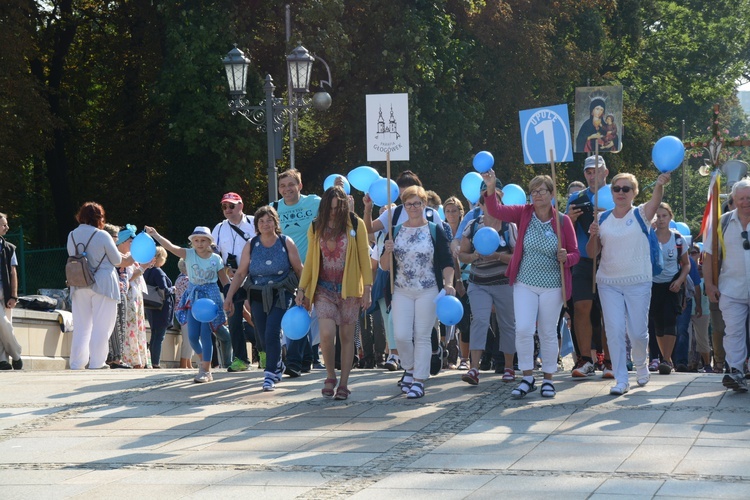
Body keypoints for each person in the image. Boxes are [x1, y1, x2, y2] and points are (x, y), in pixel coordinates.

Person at [481, 171, 579, 399]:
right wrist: (491, 185)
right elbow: (496, 210)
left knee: (547, 331)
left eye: (541, 191)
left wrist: (567, 257)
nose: (536, 195)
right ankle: (526, 377)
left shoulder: (562, 221)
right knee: (524, 329)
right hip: (524, 282)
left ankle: (548, 379)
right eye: (533, 191)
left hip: (553, 285)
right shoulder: (524, 213)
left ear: (552, 194)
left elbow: (576, 253)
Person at [587, 172, 671, 395]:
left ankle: (641, 364)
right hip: (608, 282)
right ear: (611, 192)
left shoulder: (641, 213)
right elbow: (592, 253)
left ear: (634, 192)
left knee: (637, 333)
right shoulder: (602, 219)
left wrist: (660, 184)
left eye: (626, 189)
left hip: (638, 281)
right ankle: (621, 379)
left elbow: (655, 201)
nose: (621, 193)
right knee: (614, 330)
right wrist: (593, 235)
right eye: (617, 189)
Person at [296, 186, 372, 400]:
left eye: (337, 208)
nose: (333, 212)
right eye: (329, 208)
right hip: (323, 289)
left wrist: (367, 288)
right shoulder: (315, 226)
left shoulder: (355, 224)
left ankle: (344, 383)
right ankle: (330, 375)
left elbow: (365, 257)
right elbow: (310, 260)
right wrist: (302, 288)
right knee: (327, 335)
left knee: (347, 336)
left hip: (349, 290)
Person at [380, 185, 455, 399]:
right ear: (404, 206)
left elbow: (447, 261)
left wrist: (448, 283)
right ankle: (410, 368)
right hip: (401, 290)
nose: (413, 207)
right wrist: (387, 250)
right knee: (401, 335)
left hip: (428, 290)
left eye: (417, 203)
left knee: (422, 336)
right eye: (408, 204)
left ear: (424, 204)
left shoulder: (434, 230)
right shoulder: (395, 230)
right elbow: (385, 266)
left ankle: (419, 380)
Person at [223, 206, 303, 391]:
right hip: (257, 293)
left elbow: (299, 269)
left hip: (282, 292)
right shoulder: (251, 244)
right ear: (256, 225)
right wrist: (229, 297)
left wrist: (304, 292)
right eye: (261, 221)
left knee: (272, 330)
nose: (265, 224)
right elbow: (241, 272)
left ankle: (271, 374)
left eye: (269, 220)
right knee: (262, 334)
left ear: (276, 222)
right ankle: (278, 364)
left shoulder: (285, 241)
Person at [145, 225, 226, 383]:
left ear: (209, 241)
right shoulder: (188, 254)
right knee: (192, 337)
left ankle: (205, 369)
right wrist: (155, 234)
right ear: (192, 242)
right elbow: (170, 246)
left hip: (210, 299)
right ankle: (205, 362)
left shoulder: (216, 259)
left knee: (205, 334)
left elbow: (224, 280)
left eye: (203, 240)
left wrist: (230, 298)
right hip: (193, 297)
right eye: (196, 240)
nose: (200, 243)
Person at [457, 179, 518, 386]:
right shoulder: (473, 225)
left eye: (496, 199)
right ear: (481, 204)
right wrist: (474, 256)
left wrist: (497, 257)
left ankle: (509, 368)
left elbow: (518, 257)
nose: (490, 203)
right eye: (486, 200)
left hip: (504, 283)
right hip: (478, 283)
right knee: (480, 321)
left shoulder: (509, 226)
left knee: (507, 323)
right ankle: (474, 369)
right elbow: (462, 255)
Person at [703, 178, 750, 392]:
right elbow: (709, 255)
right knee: (734, 332)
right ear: (733, 199)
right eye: (741, 198)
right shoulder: (721, 223)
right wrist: (710, 285)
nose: (745, 202)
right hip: (731, 289)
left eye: (749, 198)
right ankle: (736, 371)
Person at [566, 156, 611, 378]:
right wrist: (570, 220)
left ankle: (611, 360)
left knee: (608, 312)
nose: (592, 176)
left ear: (606, 172)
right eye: (588, 172)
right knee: (580, 308)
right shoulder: (577, 197)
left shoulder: (617, 192)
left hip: (611, 260)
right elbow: (565, 234)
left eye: (596, 171)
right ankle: (584, 359)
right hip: (583, 260)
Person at [274, 169, 321, 376]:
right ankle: (307, 358)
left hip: (310, 268)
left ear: (300, 186)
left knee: (300, 309)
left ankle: (293, 362)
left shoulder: (314, 203)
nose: (287, 189)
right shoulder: (273, 208)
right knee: (298, 312)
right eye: (282, 186)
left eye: (291, 185)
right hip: (284, 272)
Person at [66, 202, 122, 370]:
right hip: (103, 282)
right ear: (99, 218)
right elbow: (117, 260)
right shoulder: (102, 235)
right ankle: (97, 363)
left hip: (79, 282)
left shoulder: (72, 235)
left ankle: (77, 363)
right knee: (102, 325)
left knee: (81, 326)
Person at [212, 192, 256, 373]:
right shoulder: (219, 228)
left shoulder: (255, 222)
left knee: (259, 317)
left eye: (231, 205)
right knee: (234, 319)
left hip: (255, 277)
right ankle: (240, 359)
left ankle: (265, 352)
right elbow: (213, 254)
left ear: (241, 205)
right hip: (231, 280)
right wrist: (225, 269)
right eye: (224, 206)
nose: (228, 210)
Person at [648, 203, 690, 375]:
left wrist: (680, 281)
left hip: (672, 283)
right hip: (653, 283)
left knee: (670, 320)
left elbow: (686, 264)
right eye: (657, 216)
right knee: (658, 322)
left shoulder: (678, 238)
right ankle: (665, 357)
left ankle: (666, 359)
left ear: (670, 217)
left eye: (664, 215)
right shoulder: (649, 236)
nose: (660, 219)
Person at [116, 225, 149, 369]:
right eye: (130, 241)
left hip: (135, 296)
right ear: (122, 242)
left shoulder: (130, 258)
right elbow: (126, 278)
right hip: (127, 296)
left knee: (136, 326)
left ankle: (138, 358)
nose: (133, 244)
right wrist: (143, 268)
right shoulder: (119, 257)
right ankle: (130, 358)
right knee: (129, 326)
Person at [144, 246, 175, 368]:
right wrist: (173, 289)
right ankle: (156, 363)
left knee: (154, 335)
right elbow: (164, 289)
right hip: (161, 308)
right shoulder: (158, 271)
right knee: (159, 336)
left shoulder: (146, 271)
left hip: (150, 306)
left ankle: (151, 362)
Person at [0, 213, 22, 370]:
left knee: (5, 326)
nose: (7, 227)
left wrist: (14, 295)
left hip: (6, 291)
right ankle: (17, 354)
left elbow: (13, 272)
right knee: (3, 324)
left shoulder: (9, 248)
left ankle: (2, 360)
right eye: (3, 225)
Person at [174, 258, 194, 368]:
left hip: (182, 311)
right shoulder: (186, 279)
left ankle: (188, 363)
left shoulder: (180, 278)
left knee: (189, 337)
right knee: (188, 338)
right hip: (185, 311)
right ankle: (183, 363)